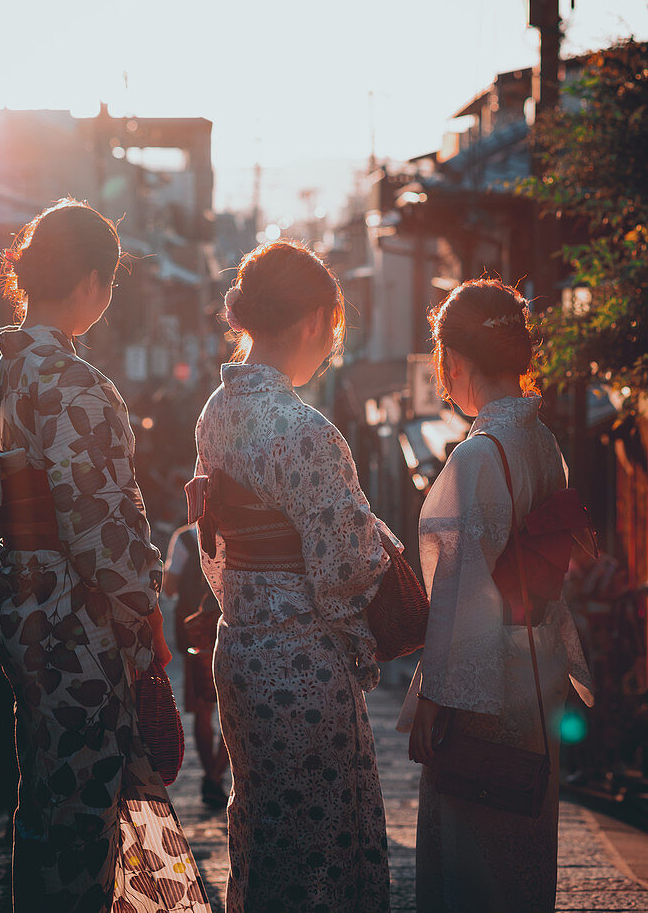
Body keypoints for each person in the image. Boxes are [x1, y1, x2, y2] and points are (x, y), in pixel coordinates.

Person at [0, 199, 211, 913]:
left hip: (21, 599)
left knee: (43, 797)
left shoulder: (12, 370)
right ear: (92, 281)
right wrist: (144, 613)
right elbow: (103, 525)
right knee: (86, 809)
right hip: (73, 616)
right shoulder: (76, 383)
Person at [190, 240, 393, 913]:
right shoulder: (302, 430)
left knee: (264, 830)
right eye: (333, 329)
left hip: (240, 649)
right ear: (314, 320)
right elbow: (344, 565)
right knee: (321, 845)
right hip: (301, 660)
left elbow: (213, 543)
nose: (332, 346)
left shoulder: (216, 413)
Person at [398, 278, 594, 913]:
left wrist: (433, 696)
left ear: (453, 362)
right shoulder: (544, 444)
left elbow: (461, 592)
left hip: (482, 681)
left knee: (470, 849)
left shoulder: (481, 454)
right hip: (536, 668)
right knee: (523, 840)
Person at [163, 523, 229, 808]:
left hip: (195, 633)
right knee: (234, 708)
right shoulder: (237, 530)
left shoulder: (185, 539)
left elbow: (169, 588)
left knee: (203, 708)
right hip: (234, 627)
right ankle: (215, 776)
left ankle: (210, 776)